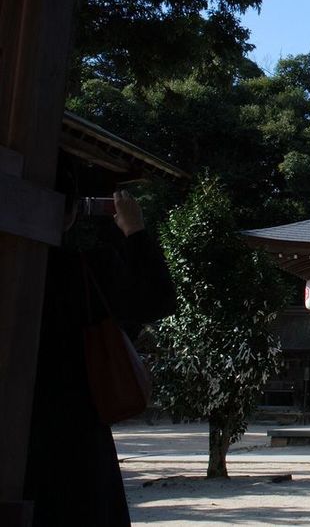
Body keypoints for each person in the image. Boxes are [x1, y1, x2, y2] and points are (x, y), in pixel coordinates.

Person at [23, 166, 176, 527]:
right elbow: (158, 300)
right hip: (70, 426)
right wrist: (134, 231)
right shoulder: (83, 271)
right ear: (71, 211)